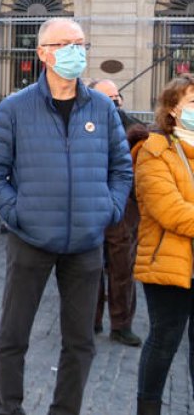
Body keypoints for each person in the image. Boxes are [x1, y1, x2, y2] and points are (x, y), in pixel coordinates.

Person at [0, 18, 132, 415]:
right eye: (66, 44)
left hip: (85, 242)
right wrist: (18, 213)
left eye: (81, 43)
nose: (76, 51)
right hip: (30, 240)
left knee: (80, 341)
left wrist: (108, 209)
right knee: (14, 336)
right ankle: (9, 410)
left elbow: (121, 169)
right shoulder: (15, 108)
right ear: (44, 53)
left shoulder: (101, 106)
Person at [132, 74, 194, 415]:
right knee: (164, 341)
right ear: (172, 109)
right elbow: (170, 211)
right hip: (167, 263)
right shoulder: (155, 150)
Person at [89, 78, 143, 345]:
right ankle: (91, 320)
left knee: (123, 270)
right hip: (89, 210)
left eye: (117, 96)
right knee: (89, 269)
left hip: (123, 212)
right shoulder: (82, 124)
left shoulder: (134, 127)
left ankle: (121, 324)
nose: (114, 101)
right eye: (107, 97)